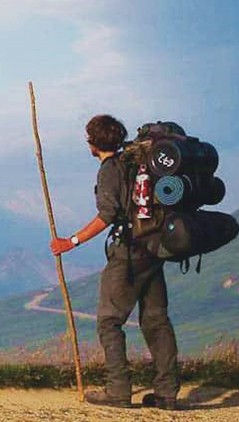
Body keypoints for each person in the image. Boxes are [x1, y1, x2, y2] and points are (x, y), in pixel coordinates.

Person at [50, 114, 179, 410]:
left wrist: (70, 242)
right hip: (154, 248)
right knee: (156, 321)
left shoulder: (110, 170)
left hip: (128, 253)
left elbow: (108, 214)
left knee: (109, 322)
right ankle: (167, 394)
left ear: (92, 143)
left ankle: (118, 391)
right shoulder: (137, 162)